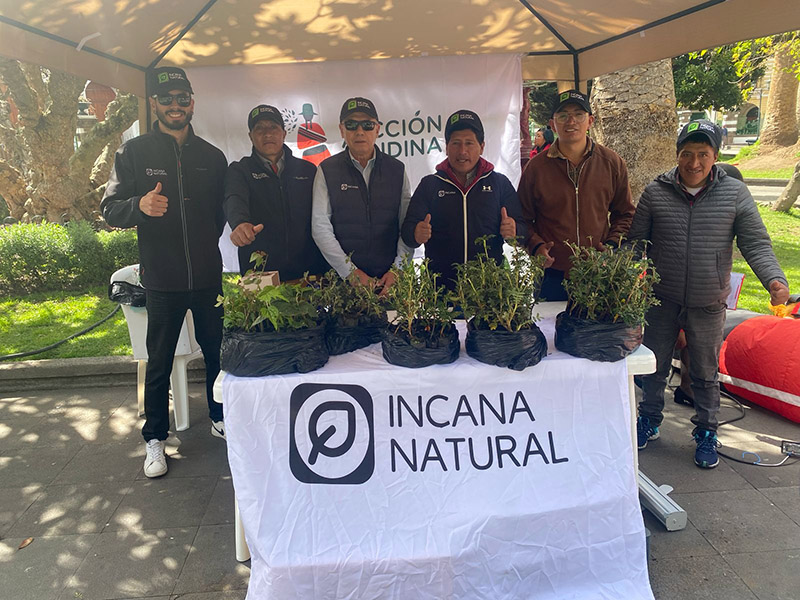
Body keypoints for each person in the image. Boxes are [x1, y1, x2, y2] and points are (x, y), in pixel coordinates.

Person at [629, 119, 790, 469]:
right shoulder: (656, 192)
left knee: (704, 372)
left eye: (703, 154)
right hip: (661, 298)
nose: (694, 162)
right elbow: (636, 242)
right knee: (653, 367)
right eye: (687, 153)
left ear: (715, 156)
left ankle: (706, 431)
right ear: (677, 155)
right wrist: (623, 279)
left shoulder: (735, 194)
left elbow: (756, 243)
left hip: (708, 301)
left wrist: (774, 281)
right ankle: (649, 419)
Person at [101, 67, 228, 478]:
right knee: (158, 362)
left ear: (192, 102)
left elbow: (220, 215)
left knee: (218, 353)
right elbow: (109, 210)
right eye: (167, 98)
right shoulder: (133, 153)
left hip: (207, 277)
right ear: (154, 103)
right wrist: (138, 206)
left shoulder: (212, 157)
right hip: (162, 279)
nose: (176, 105)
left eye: (182, 98)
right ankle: (155, 437)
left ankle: (220, 417)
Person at [518, 89, 635, 301]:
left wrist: (610, 247)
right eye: (563, 115)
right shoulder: (536, 168)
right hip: (552, 272)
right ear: (552, 124)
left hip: (600, 270)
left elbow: (625, 214)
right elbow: (522, 218)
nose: (571, 121)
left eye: (578, 115)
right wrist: (536, 246)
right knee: (548, 322)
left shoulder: (612, 163)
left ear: (590, 121)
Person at [400, 109, 526, 288]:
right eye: (456, 143)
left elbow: (523, 232)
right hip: (441, 291)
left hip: (489, 290)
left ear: (482, 146)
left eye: (469, 143)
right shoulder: (430, 185)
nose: (462, 151)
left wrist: (515, 230)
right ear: (446, 147)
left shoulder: (500, 184)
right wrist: (415, 233)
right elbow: (407, 233)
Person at [312, 97, 413, 292]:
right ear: (342, 130)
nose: (360, 131)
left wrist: (398, 270)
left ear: (377, 129)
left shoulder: (397, 170)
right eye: (351, 125)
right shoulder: (327, 170)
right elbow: (320, 227)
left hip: (389, 282)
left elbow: (407, 225)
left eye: (367, 125)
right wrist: (350, 272)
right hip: (344, 284)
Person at [224, 104, 329, 280]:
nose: (267, 134)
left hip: (309, 271)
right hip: (260, 273)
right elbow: (233, 198)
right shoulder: (240, 170)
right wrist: (239, 222)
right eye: (259, 128)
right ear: (250, 136)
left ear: (284, 133)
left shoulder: (308, 170)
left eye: (273, 127)